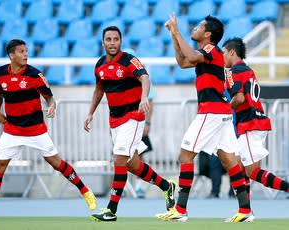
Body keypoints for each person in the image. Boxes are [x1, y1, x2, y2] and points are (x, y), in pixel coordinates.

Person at [156, 15, 253, 222]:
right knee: (228, 159)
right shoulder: (206, 53)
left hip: (211, 112)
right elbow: (183, 62)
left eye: (199, 26)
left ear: (208, 34)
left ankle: (180, 210)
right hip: (221, 113)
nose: (195, 28)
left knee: (185, 156)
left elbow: (189, 57)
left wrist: (177, 31)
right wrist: (174, 36)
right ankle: (245, 211)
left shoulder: (210, 49)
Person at [0, 39, 97, 215]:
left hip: (35, 129)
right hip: (12, 129)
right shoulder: (0, 73)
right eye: (21, 51)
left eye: (26, 51)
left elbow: (49, 98)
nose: (25, 54)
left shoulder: (35, 75)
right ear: (11, 55)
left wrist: (52, 106)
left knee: (55, 162)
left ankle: (85, 191)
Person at [84, 26, 176, 222]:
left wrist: (144, 98)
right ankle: (167, 187)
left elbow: (145, 77)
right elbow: (99, 90)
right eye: (108, 39)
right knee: (133, 164)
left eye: (115, 39)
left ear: (120, 41)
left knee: (118, 160)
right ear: (103, 42)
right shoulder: (99, 65)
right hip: (114, 120)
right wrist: (90, 113)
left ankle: (111, 210)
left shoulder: (129, 60)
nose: (112, 42)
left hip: (133, 117)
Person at [222, 37, 289, 201]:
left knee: (252, 172)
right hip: (254, 121)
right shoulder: (248, 70)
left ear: (232, 52)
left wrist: (222, 110)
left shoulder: (232, 72)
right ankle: (245, 210)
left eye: (223, 53)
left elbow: (239, 99)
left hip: (250, 124)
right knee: (239, 165)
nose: (222, 57)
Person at [135, 83, 155, 198]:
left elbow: (150, 104)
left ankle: (139, 186)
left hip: (139, 123)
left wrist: (147, 123)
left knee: (139, 156)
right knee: (120, 157)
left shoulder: (145, 80)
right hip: (122, 123)